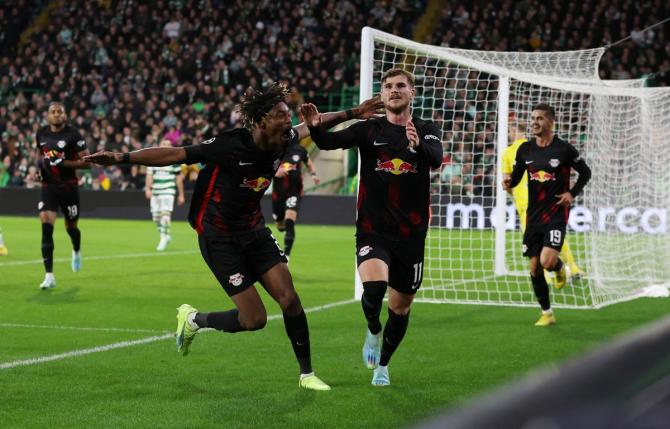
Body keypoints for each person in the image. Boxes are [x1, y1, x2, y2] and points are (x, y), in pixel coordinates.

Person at [85, 83, 383, 390]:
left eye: (287, 116)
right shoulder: (230, 145)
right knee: (255, 319)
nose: (288, 122)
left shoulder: (283, 139)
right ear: (261, 121)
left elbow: (311, 126)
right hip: (218, 236)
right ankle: (194, 320)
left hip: (253, 230)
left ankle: (306, 374)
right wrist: (122, 157)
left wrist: (354, 113)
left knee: (290, 299)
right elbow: (177, 153)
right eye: (281, 116)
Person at [301, 68, 444, 386]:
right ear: (381, 95)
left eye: (401, 86)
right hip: (373, 228)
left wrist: (417, 145)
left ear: (412, 93)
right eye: (388, 86)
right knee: (375, 287)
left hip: (411, 234)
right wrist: (315, 126)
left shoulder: (426, 128)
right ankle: (373, 330)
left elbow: (434, 159)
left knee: (401, 307)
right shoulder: (368, 130)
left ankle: (383, 365)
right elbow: (325, 142)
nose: (394, 90)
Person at [503, 104, 591, 326]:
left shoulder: (564, 150)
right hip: (533, 216)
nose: (535, 122)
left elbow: (585, 173)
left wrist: (572, 193)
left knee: (546, 260)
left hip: (555, 213)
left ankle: (560, 268)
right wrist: (508, 183)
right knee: (534, 267)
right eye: (533, 118)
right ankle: (547, 313)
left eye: (540, 118)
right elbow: (517, 177)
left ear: (551, 122)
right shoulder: (525, 150)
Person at [503, 121, 585, 285]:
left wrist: (515, 197)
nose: (509, 135)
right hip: (544, 198)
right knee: (554, 234)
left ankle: (546, 277)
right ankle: (574, 268)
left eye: (511, 132)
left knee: (535, 242)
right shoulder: (535, 148)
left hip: (526, 204)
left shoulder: (508, 153)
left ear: (514, 131)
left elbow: (507, 181)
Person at [36, 102, 90, 289]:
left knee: (71, 228)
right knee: (46, 225)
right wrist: (39, 171)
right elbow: (41, 157)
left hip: (69, 188)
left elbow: (87, 163)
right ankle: (49, 275)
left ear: (65, 115)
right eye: (53, 112)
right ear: (48, 115)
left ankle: (76, 249)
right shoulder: (41, 134)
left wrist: (64, 163)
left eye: (60, 112)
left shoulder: (74, 135)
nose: (57, 115)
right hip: (48, 187)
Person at [272, 141, 319, 257]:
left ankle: (286, 257)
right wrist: (275, 172)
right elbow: (263, 165)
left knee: (289, 222)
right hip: (278, 193)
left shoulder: (300, 150)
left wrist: (314, 175)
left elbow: (308, 162)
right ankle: (283, 228)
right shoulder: (274, 149)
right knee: (280, 226)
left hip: (294, 192)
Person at [145, 139, 186, 251]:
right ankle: (166, 236)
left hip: (168, 190)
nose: (166, 146)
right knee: (156, 217)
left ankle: (163, 238)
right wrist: (148, 189)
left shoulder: (174, 160)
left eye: (168, 144)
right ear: (159, 145)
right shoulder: (152, 159)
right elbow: (149, 175)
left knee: (165, 214)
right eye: (164, 144)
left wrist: (181, 194)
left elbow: (178, 179)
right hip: (156, 191)